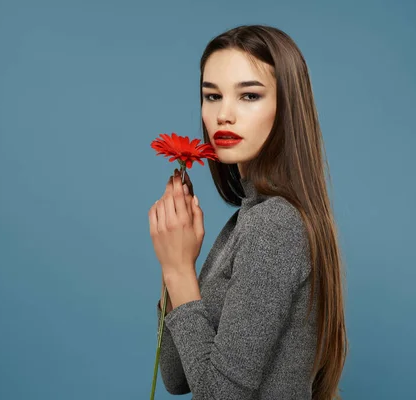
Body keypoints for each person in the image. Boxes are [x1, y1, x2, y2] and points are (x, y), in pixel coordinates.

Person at [148, 24, 348, 399]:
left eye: (249, 96)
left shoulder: (273, 224)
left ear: (286, 108)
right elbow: (178, 379)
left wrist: (178, 268)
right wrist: (175, 266)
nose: (224, 114)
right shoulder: (246, 220)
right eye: (212, 96)